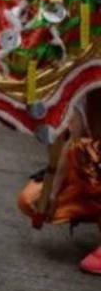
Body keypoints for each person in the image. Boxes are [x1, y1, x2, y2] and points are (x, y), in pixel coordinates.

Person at [17, 91, 101, 275]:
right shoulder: (84, 93)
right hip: (90, 179)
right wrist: (52, 193)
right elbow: (68, 144)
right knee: (32, 199)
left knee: (89, 152)